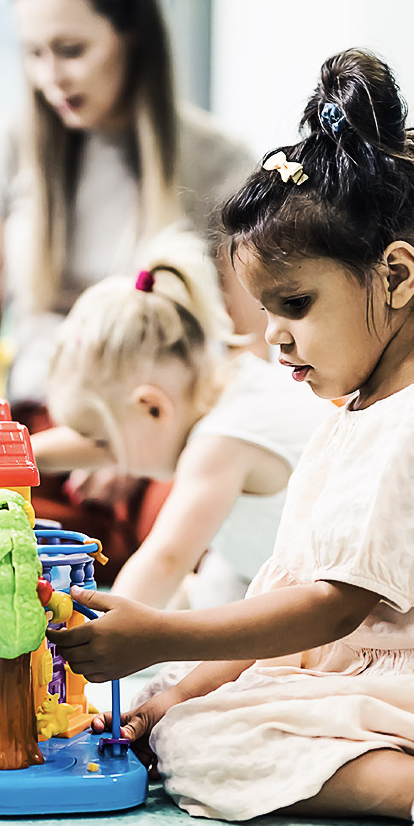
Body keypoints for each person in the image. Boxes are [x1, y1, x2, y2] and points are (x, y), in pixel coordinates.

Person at [47, 49, 414, 826]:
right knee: (188, 729)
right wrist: (178, 689)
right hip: (369, 668)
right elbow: (291, 590)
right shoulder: (352, 413)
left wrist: (162, 637)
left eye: (296, 305)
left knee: (213, 749)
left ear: (398, 276)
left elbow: (334, 605)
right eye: (266, 311)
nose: (275, 337)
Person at [0, 0, 259, 568]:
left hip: (166, 431)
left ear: (132, 36)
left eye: (69, 49)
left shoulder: (218, 160)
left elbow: (249, 346)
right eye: (33, 53)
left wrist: (132, 443)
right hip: (43, 421)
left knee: (218, 538)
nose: (50, 76)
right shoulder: (10, 143)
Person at [42, 229, 332, 608]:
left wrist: (98, 639)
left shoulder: (221, 443)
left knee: (191, 618)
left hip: (316, 592)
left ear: (152, 407)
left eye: (104, 442)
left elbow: (164, 561)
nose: (105, 455)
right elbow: (101, 442)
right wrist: (22, 453)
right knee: (211, 585)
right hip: (253, 568)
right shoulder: (230, 380)